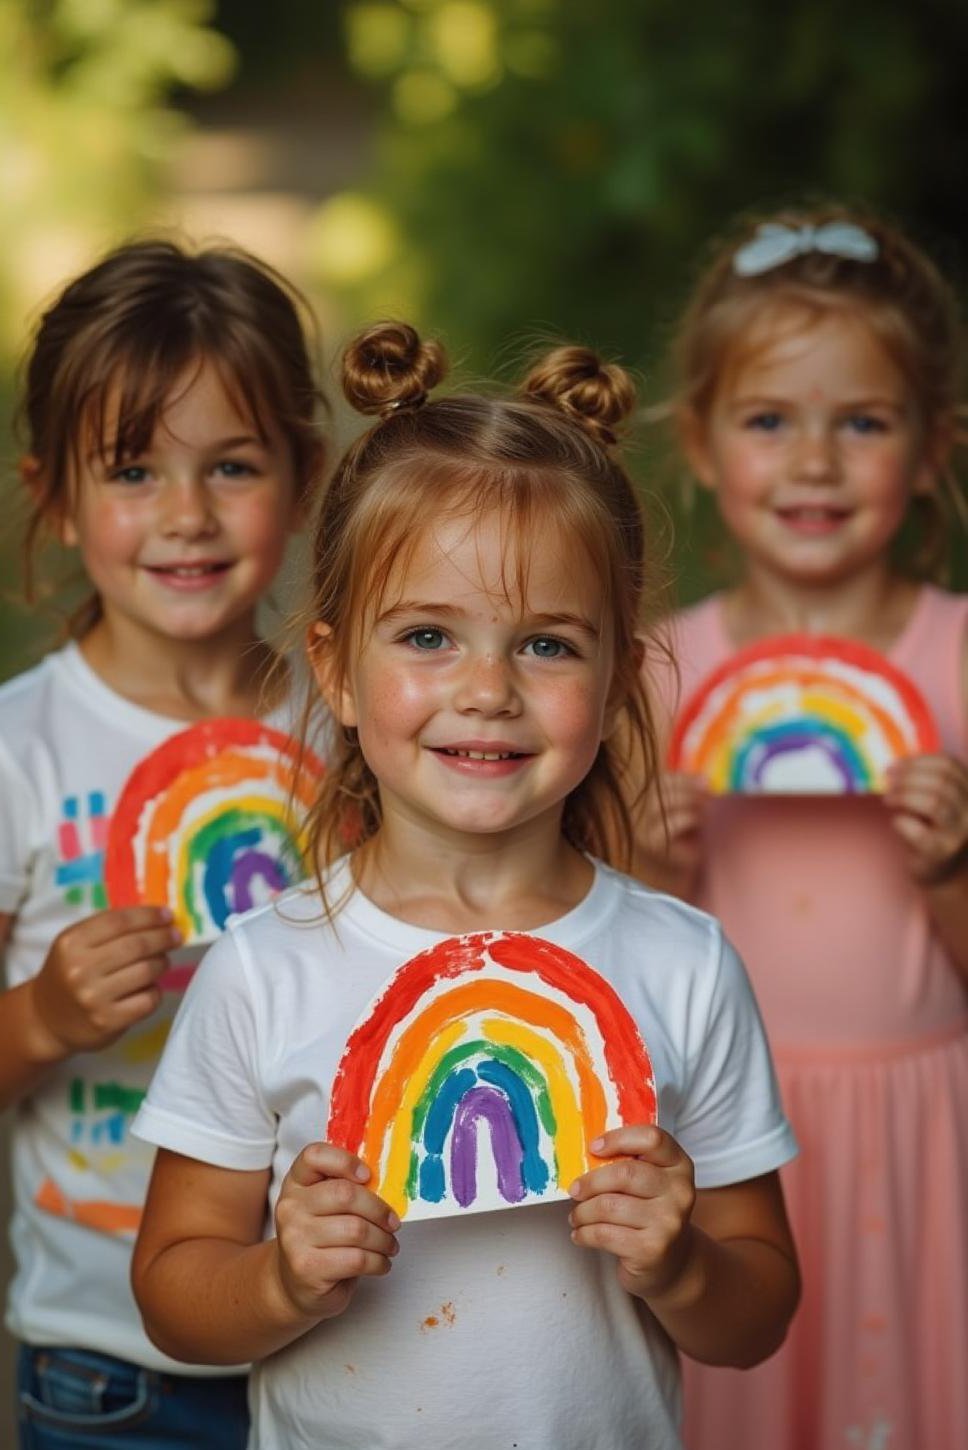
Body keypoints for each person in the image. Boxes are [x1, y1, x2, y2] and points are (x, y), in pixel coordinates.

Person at [130, 320, 800, 1450]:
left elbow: (756, 1313)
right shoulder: (263, 966)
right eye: (430, 635)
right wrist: (281, 1279)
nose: (486, 689)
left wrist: (680, 1261)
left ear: (619, 672)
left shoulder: (682, 962)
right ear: (337, 671)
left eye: (545, 645)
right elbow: (171, 1286)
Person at [635, 206, 968, 1450]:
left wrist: (948, 867)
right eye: (769, 419)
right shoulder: (658, 675)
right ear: (705, 444)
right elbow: (594, 971)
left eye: (862, 422)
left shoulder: (959, 658)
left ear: (930, 446)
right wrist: (643, 869)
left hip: (927, 1142)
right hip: (726, 1149)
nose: (813, 461)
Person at [0, 238, 325, 1448]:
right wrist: (42, 1015)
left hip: (341, 1322)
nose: (184, 516)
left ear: (303, 473)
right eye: (132, 470)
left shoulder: (354, 735)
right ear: (54, 497)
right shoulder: (21, 752)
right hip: (106, 1367)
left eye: (230, 465)